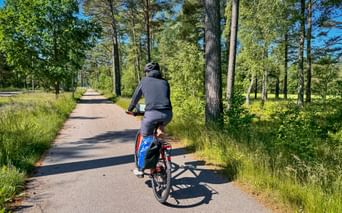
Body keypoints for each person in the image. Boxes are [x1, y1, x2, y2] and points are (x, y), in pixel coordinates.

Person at [127, 62, 172, 177]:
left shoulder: (145, 81)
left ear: (147, 72)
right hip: (167, 114)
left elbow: (136, 96)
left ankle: (141, 168)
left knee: (146, 138)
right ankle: (161, 143)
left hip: (151, 114)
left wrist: (131, 108)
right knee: (158, 130)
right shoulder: (165, 82)